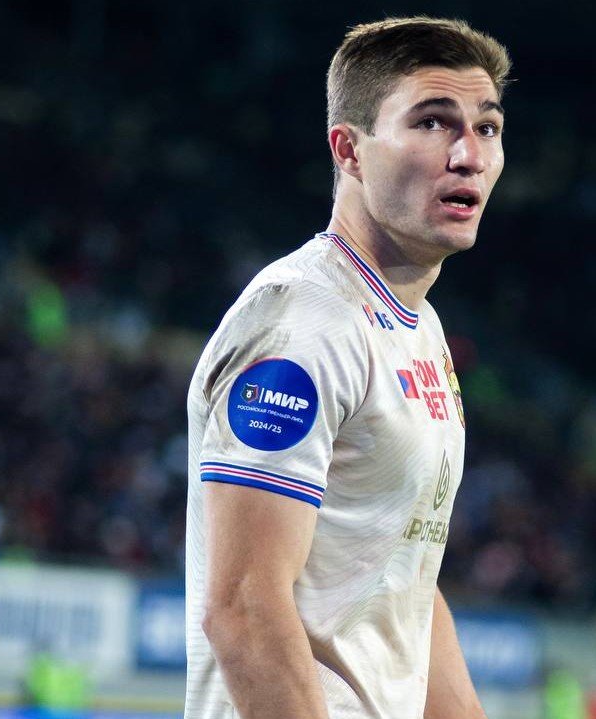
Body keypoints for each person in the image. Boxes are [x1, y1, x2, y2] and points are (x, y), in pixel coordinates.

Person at [184, 16, 510, 719]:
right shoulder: (304, 321)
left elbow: (400, 577)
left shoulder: (419, 327)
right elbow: (242, 606)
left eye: (486, 127)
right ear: (349, 150)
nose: (468, 155)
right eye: (432, 122)